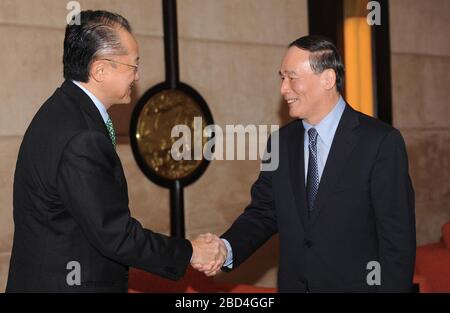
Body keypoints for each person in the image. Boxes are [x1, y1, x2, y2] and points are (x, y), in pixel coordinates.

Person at [6, 10, 225, 293]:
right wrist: (191, 252)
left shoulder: (62, 110)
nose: (137, 75)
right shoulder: (81, 136)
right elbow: (115, 235)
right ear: (99, 70)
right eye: (133, 65)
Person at [197, 35, 416, 292]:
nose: (283, 89)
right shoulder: (280, 143)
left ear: (328, 79)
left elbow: (397, 242)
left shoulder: (379, 142)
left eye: (292, 77)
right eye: (282, 77)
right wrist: (226, 248)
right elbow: (264, 212)